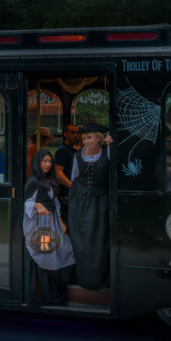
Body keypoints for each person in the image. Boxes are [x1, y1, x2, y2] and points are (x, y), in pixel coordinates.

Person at [24, 149, 75, 306]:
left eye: (49, 161)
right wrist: (38, 205)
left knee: (62, 250)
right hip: (40, 224)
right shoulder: (34, 182)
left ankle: (56, 292)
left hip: (52, 221)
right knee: (45, 255)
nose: (47, 164)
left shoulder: (48, 180)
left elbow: (55, 202)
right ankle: (43, 295)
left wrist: (60, 220)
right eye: (44, 161)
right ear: (37, 162)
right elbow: (27, 203)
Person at [68, 123, 114, 290]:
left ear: (98, 138)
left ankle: (100, 278)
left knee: (100, 239)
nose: (86, 141)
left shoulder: (108, 151)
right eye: (84, 138)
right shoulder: (78, 155)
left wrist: (112, 145)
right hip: (81, 202)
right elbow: (75, 177)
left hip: (101, 202)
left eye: (89, 137)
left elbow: (114, 175)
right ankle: (81, 277)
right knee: (82, 240)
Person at [54, 124, 80, 222]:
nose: (75, 135)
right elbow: (58, 173)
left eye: (77, 133)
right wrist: (72, 186)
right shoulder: (62, 151)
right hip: (66, 195)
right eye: (72, 132)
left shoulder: (73, 151)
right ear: (65, 134)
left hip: (73, 194)